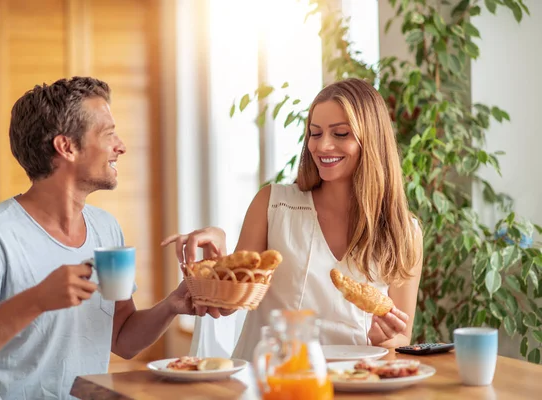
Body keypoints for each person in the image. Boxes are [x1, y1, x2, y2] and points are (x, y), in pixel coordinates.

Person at [0, 77, 223, 399]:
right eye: (108, 133)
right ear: (67, 147)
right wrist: (35, 301)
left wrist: (172, 304)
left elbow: (122, 338)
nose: (121, 145)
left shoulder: (105, 228)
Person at [162, 78, 424, 361]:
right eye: (315, 133)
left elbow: (401, 338)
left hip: (354, 383)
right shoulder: (273, 204)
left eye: (340, 134)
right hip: (269, 381)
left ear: (371, 141)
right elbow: (227, 304)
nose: (322, 146)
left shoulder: (404, 232)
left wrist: (380, 339)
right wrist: (220, 251)